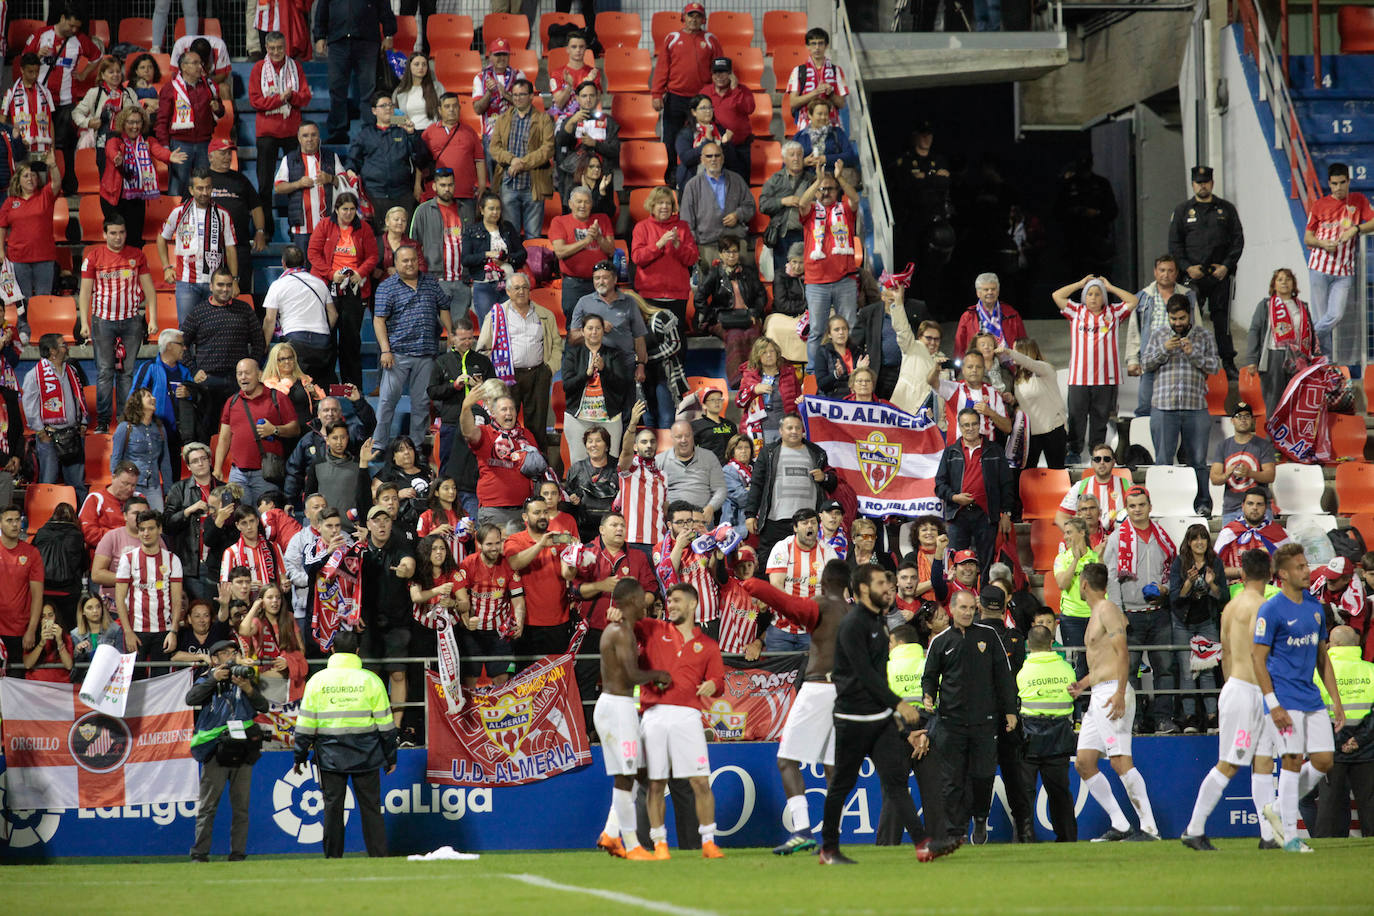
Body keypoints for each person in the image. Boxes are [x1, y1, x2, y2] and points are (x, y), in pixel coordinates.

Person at [819, 563, 936, 865]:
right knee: (842, 784)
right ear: (861, 590)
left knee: (896, 782)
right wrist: (898, 705)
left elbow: (880, 677)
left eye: (888, 582)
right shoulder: (853, 624)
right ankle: (829, 849)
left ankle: (923, 844)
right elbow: (865, 675)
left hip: (878, 717)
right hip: (852, 719)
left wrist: (896, 721)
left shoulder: (879, 623)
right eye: (881, 582)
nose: (887, 587)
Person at [737, 561, 853, 855]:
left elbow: (788, 605)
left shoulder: (821, 605)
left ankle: (802, 830)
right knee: (832, 768)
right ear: (847, 585)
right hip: (846, 694)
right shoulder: (856, 614)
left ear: (824, 583)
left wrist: (753, 585)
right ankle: (832, 838)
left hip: (817, 690)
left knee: (787, 760)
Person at [1179, 548, 1282, 850]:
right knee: (1230, 763)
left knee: (1264, 761)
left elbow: (1224, 651)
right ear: (1270, 573)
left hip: (1238, 686)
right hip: (1250, 692)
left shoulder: (1231, 606)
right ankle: (1194, 829)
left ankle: (1268, 836)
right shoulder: (1264, 607)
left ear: (1244, 573)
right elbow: (1259, 654)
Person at [1253, 542, 1344, 853]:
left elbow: (1322, 658)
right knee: (1292, 759)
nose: (1306, 571)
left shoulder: (1315, 608)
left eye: (1306, 565)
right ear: (1283, 574)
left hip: (1311, 697)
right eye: (1300, 567)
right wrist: (1273, 703)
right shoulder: (1271, 609)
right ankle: (1290, 835)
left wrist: (1335, 699)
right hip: (1284, 699)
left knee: (1323, 761)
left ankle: (1278, 808)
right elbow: (1257, 658)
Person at [1069, 562, 1161, 840]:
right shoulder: (1099, 612)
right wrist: (1083, 684)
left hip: (1112, 692)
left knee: (1121, 761)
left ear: (1084, 584)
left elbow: (1123, 652)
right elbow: (1104, 659)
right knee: (1084, 762)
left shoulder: (1107, 609)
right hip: (1099, 692)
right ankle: (1120, 823)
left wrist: (1120, 692)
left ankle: (1149, 828)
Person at [638, 582, 726, 859]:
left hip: (689, 715)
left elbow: (719, 680)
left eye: (676, 601)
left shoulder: (708, 645)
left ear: (692, 604)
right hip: (654, 714)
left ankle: (709, 842)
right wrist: (619, 613)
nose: (671, 605)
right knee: (655, 782)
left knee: (700, 781)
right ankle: (659, 842)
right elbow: (630, 619)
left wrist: (712, 684)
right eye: (669, 602)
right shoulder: (653, 629)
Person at [923, 588, 1017, 847]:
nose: (967, 613)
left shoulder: (989, 636)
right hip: (951, 722)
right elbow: (929, 676)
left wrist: (1010, 710)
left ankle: (980, 818)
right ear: (952, 609)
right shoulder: (940, 641)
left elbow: (1004, 676)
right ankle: (954, 831)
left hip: (985, 721)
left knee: (983, 775)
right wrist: (928, 695)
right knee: (952, 781)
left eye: (971, 608)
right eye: (962, 608)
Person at [293, 628, 396, 858]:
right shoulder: (372, 680)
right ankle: (379, 857)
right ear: (357, 651)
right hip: (367, 754)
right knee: (371, 809)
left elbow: (305, 725)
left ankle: (333, 858)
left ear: (332, 650)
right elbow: (387, 726)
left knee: (332, 808)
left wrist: (299, 757)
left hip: (330, 756)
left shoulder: (317, 681)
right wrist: (391, 757)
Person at [593, 578, 669, 861]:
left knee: (633, 775)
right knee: (626, 778)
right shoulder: (621, 632)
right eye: (642, 599)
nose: (646, 603)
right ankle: (632, 844)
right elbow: (631, 675)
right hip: (618, 707)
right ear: (633, 601)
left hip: (617, 706)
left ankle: (611, 834)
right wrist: (659, 675)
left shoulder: (623, 629)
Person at [1102, 485, 1179, 734]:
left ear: (1150, 507)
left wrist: (1165, 589)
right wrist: (1117, 612)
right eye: (1132, 506)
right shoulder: (1117, 538)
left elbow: (1172, 571)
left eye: (1141, 505)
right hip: (1130, 617)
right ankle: (1133, 719)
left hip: (1159, 613)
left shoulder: (1163, 537)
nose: (1137, 510)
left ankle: (1163, 720)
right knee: (1129, 670)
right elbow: (1111, 578)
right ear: (1127, 508)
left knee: (1165, 669)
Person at [186, 639, 269, 862]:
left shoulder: (245, 677)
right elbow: (190, 699)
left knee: (241, 806)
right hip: (216, 749)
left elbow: (264, 706)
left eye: (234, 652)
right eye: (224, 653)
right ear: (214, 659)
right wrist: (213, 679)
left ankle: (238, 853)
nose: (231, 656)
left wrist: (248, 688)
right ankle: (200, 853)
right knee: (208, 806)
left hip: (243, 748)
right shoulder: (205, 678)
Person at [1143, 295, 1220, 516]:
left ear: (1189, 315)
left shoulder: (1204, 335)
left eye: (1181, 318)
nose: (1177, 323)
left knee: (1198, 460)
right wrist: (1164, 350)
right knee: (1163, 462)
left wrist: (1192, 353)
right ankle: (1161, 504)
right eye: (1173, 318)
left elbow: (1215, 367)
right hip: (1163, 407)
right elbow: (1145, 364)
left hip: (1195, 406)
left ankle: (1201, 504)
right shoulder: (1159, 335)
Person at [79, 216, 157, 433]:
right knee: (105, 371)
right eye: (112, 233)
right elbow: (85, 292)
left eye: (121, 232)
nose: (117, 237)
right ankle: (103, 420)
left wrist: (153, 319)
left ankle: (125, 418)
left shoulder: (137, 255)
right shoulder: (93, 256)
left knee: (127, 372)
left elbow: (150, 290)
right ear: (104, 234)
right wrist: (84, 322)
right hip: (103, 321)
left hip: (131, 321)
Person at [371, 244, 452, 450]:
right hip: (397, 354)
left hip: (426, 354)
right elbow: (379, 320)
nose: (410, 264)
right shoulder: (387, 287)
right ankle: (378, 445)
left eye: (413, 260)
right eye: (405, 261)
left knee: (422, 404)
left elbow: (444, 306)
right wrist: (385, 350)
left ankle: (416, 448)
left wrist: (450, 333)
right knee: (388, 401)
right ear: (396, 263)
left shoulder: (431, 283)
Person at [1051, 275, 1138, 464]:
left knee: (1100, 419)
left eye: (1098, 294)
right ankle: (1073, 452)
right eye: (1089, 294)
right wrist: (1079, 283)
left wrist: (1111, 286)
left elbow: (1133, 300)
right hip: (1079, 377)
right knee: (1076, 417)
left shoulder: (1113, 313)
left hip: (1105, 378)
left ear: (1104, 297)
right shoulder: (1076, 311)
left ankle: (1096, 453)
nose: (1093, 297)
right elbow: (1057, 296)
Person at [1168, 165, 1245, 377]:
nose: (1202, 185)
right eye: (1198, 182)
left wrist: (1226, 266)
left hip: (1220, 274)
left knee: (1222, 322)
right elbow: (1174, 245)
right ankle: (1192, 361)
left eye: (1206, 181)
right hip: (1192, 276)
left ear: (1212, 183)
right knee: (1191, 320)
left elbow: (1237, 241)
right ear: (1192, 184)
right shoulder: (1182, 210)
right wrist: (1186, 268)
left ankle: (1228, 363)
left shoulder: (1226, 209)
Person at [18, 7, 102, 195]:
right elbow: (24, 59)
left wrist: (83, 74)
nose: (73, 30)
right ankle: (38, 186)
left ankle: (67, 186)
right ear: (62, 18)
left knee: (65, 145)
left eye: (76, 27)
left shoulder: (79, 40)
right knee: (39, 143)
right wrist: (38, 55)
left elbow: (98, 56)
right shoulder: (42, 34)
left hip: (66, 101)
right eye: (71, 25)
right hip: (40, 102)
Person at [477, 273, 562, 451]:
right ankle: (506, 458)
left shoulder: (545, 314)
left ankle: (540, 467)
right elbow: (483, 348)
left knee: (538, 425)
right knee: (504, 421)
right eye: (517, 288)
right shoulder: (496, 315)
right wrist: (494, 374)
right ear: (508, 291)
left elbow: (556, 344)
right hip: (507, 376)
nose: (521, 291)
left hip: (538, 374)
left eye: (525, 287)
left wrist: (549, 369)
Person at [745, 414, 839, 571]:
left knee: (806, 567)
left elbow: (833, 482)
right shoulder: (768, 452)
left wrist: (824, 477)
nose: (794, 431)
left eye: (798, 428)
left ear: (803, 431)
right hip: (775, 521)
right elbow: (757, 484)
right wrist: (750, 515)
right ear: (781, 431)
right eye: (789, 428)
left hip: (807, 522)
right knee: (769, 566)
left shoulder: (817, 453)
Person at [1304, 162, 1374, 363]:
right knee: (1321, 318)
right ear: (1329, 183)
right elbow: (1308, 238)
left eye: (1342, 183)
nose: (1338, 188)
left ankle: (1304, 342)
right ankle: (1323, 363)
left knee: (1335, 315)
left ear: (1348, 181)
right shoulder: (1319, 205)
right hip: (1319, 268)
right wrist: (1322, 243)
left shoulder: (1358, 200)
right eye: (1334, 184)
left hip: (1344, 271)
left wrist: (1356, 229)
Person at [308, 193, 378, 390]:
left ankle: (351, 389)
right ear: (336, 210)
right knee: (327, 340)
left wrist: (360, 272)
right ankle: (325, 387)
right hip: (327, 288)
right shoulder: (324, 225)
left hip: (354, 290)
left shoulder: (364, 228)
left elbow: (372, 256)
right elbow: (313, 253)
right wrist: (330, 274)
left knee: (350, 342)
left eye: (352, 209)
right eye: (344, 209)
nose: (348, 213)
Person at [1017, 624, 1078, 842]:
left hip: (1029, 737)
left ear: (1028, 645)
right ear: (1052, 644)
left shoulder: (1023, 671)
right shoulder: (1067, 669)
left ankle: (1024, 838)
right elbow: (1073, 697)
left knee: (1024, 794)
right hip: (1059, 736)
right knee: (1060, 793)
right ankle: (1068, 837)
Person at [652, 3, 723, 188]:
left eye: (698, 16)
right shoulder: (672, 38)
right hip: (675, 97)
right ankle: (672, 175)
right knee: (670, 139)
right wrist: (657, 93)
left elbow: (719, 69)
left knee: (702, 136)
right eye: (690, 16)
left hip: (701, 100)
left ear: (703, 19)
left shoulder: (710, 39)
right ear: (683, 17)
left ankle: (698, 174)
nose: (694, 19)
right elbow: (662, 68)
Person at [1313, 625, 1374, 838]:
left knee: (1329, 803)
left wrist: (1335, 740)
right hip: (1367, 746)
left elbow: (1314, 710)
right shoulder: (1371, 670)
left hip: (1331, 744)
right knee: (1369, 804)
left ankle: (1325, 849)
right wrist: (1360, 738)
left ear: (1336, 644)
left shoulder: (1319, 672)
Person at [934, 408, 1014, 571]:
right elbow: (939, 485)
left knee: (986, 563)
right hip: (958, 514)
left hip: (986, 515)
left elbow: (1007, 483)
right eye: (965, 425)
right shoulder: (950, 452)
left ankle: (983, 596)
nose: (970, 428)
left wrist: (1006, 513)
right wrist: (955, 497)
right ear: (960, 427)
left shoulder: (995, 450)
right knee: (956, 562)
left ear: (980, 425)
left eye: (973, 424)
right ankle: (958, 595)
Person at [213, 358, 300, 507]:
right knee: (238, 517)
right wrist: (217, 467)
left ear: (259, 375)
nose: (242, 377)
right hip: (237, 474)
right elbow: (224, 438)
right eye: (239, 374)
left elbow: (295, 429)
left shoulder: (277, 397)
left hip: (266, 474)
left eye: (247, 373)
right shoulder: (231, 402)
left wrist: (275, 430)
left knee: (267, 521)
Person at [158, 169, 238, 325]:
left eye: (208, 187)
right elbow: (161, 238)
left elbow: (230, 248)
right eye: (200, 188)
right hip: (186, 282)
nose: (204, 192)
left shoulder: (223, 214)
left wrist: (234, 280)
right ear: (191, 190)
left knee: (215, 329)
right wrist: (166, 267)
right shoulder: (178, 212)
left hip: (215, 283)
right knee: (187, 329)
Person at [1170, 522, 1227, 733]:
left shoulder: (1216, 563)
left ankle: (1212, 717)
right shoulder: (1179, 563)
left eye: (1203, 537)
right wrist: (1187, 583)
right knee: (1187, 672)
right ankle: (1190, 717)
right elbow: (1175, 599)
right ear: (1189, 542)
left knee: (1208, 670)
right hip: (1182, 623)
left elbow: (1224, 598)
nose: (1200, 542)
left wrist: (1212, 584)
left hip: (1206, 622)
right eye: (1195, 538)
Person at [314, 0, 396, 145]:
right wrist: (319, 36)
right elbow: (322, 10)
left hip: (368, 41)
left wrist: (389, 34)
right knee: (336, 88)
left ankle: (369, 130)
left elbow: (385, 8)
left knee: (368, 90)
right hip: (338, 41)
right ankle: (338, 132)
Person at [1241, 269, 1320, 417]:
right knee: (1274, 402)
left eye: (1288, 279)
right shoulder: (1266, 305)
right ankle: (1272, 439)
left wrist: (1314, 357)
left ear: (1293, 284)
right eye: (1280, 279)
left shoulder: (1302, 306)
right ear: (1274, 285)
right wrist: (1251, 360)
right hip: (1273, 357)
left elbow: (1310, 333)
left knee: (1296, 401)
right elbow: (1254, 331)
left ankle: (1293, 438)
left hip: (1298, 358)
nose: (1284, 282)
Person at [113, 508, 185, 671]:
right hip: (136, 630)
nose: (146, 533)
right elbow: (120, 599)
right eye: (142, 529)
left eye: (151, 528)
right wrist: (128, 632)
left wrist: (173, 631)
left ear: (159, 529)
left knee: (160, 682)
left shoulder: (173, 560)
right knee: (133, 680)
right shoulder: (128, 559)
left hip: (164, 631)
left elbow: (176, 600)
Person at [1126, 255, 1198, 417]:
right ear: (1155, 272)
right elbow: (1133, 331)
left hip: (1179, 361)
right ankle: (1144, 441)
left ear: (1176, 273)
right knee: (1145, 407)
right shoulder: (1143, 297)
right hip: (1150, 360)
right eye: (1162, 270)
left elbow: (1197, 327)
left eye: (1170, 270)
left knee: (1179, 408)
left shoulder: (1188, 296)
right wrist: (1132, 360)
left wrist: (1196, 355)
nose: (1166, 274)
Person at [100, 106, 184, 244]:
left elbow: (158, 151)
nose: (134, 126)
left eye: (138, 122)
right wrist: (117, 158)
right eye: (130, 122)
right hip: (113, 197)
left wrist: (169, 156)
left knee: (134, 237)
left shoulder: (147, 140)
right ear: (123, 123)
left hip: (137, 196)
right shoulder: (115, 139)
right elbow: (111, 150)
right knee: (117, 238)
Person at [460, 387, 538, 530]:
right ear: (494, 414)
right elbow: (468, 432)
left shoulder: (526, 436)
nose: (509, 413)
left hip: (523, 509)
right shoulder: (485, 433)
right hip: (494, 510)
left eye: (512, 409)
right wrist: (466, 407)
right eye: (504, 409)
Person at [248, 31, 310, 209]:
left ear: (285, 47)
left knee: (297, 181)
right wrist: (280, 99)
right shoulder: (259, 68)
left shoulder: (295, 67)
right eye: (272, 48)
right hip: (267, 133)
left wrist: (291, 98)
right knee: (265, 183)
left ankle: (297, 223)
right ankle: (266, 228)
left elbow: (305, 97)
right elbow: (255, 101)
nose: (276, 52)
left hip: (292, 131)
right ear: (266, 48)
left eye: (280, 48)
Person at [21, 333, 88, 496]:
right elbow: (29, 405)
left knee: (77, 484)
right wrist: (40, 431)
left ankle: (79, 518)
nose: (67, 347)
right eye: (63, 344)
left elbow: (79, 396)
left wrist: (83, 421)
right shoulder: (35, 375)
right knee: (49, 483)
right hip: (49, 437)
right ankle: (47, 517)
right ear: (52, 351)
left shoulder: (71, 370)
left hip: (72, 434)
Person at [489, 79, 554, 240]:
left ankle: (533, 266)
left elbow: (548, 149)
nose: (517, 98)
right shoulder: (503, 119)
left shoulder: (543, 119)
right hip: (509, 184)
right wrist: (512, 160)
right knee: (510, 235)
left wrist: (522, 163)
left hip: (533, 185)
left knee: (533, 235)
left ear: (531, 96)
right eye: (515, 95)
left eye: (522, 94)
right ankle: (514, 266)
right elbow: (494, 148)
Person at [561, 314, 631, 465]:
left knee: (611, 461)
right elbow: (567, 386)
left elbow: (621, 385)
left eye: (598, 328)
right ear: (583, 331)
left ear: (603, 331)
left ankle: (607, 489)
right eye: (590, 328)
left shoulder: (614, 354)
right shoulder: (573, 353)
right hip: (578, 417)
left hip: (609, 416)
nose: (594, 332)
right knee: (578, 461)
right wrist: (585, 374)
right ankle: (580, 490)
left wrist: (604, 370)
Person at [261, 246, 336, 385]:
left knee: (294, 386)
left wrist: (264, 346)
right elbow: (333, 314)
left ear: (283, 263)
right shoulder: (319, 283)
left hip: (295, 340)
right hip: (322, 343)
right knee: (320, 387)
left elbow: (270, 319)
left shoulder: (278, 285)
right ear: (304, 262)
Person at [0, 153, 61, 319]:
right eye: (26, 175)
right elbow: (2, 227)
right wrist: (0, 250)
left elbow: (56, 183)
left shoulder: (45, 195)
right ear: (18, 179)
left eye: (33, 175)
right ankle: (24, 330)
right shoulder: (10, 202)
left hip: (44, 256)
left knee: (43, 298)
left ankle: (42, 330)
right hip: (18, 258)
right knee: (22, 299)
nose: (30, 179)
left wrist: (53, 166)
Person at [208, 138, 270, 299]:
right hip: (210, 248)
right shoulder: (203, 180)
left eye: (229, 153)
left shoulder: (240, 179)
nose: (227, 157)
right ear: (211, 156)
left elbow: (256, 206)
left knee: (240, 292)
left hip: (239, 246)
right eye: (223, 153)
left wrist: (260, 231)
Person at [349, 92, 421, 230]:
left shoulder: (403, 131)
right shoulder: (366, 134)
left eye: (390, 105)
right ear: (374, 111)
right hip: (375, 194)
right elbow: (353, 159)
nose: (388, 108)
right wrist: (350, 170)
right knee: (379, 239)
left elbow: (420, 155)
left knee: (404, 236)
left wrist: (412, 134)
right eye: (383, 106)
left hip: (402, 193)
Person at [155, 50, 223, 197]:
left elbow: (220, 111)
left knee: (205, 186)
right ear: (184, 67)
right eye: (195, 63)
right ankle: (176, 218)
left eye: (201, 63)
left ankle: (203, 217)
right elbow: (162, 120)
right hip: (180, 143)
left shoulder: (209, 86)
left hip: (204, 142)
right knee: (178, 187)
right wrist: (166, 147)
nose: (200, 66)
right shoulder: (171, 88)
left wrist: (218, 108)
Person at [680, 140, 755, 272]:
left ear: (723, 158)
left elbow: (750, 206)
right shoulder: (692, 185)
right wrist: (693, 248)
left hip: (735, 245)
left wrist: (738, 215)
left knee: (738, 288)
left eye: (717, 155)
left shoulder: (736, 180)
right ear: (702, 160)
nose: (713, 159)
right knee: (707, 289)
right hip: (706, 246)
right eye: (709, 156)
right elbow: (686, 222)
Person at [631, 189, 699, 334]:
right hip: (650, 296)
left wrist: (677, 246)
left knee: (677, 340)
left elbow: (692, 259)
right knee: (652, 339)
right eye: (660, 203)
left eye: (668, 203)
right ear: (652, 205)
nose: (665, 207)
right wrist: (658, 245)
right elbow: (637, 258)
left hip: (677, 296)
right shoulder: (641, 227)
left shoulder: (682, 227)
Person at [274, 121, 346, 257]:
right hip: (302, 228)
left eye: (313, 135)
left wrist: (330, 178)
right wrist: (298, 184)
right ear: (299, 138)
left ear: (319, 137)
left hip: (329, 225)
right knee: (305, 268)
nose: (310, 139)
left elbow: (345, 182)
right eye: (305, 135)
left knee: (329, 266)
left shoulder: (331, 157)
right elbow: (278, 187)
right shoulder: (289, 159)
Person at [409, 170, 472, 317]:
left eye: (450, 185)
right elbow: (413, 245)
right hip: (435, 280)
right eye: (442, 185)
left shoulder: (466, 210)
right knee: (434, 330)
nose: (447, 189)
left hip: (462, 280)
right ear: (434, 186)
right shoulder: (422, 211)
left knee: (460, 330)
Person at [550, 185, 616, 321]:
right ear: (570, 204)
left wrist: (598, 237)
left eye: (586, 202)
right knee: (574, 327)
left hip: (600, 282)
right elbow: (560, 252)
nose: (583, 205)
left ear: (591, 204)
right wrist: (586, 241)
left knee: (603, 325)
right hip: (574, 284)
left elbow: (610, 250)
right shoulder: (559, 221)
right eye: (578, 202)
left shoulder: (602, 219)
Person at [461, 191, 527, 324]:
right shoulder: (472, 231)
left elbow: (522, 254)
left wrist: (507, 259)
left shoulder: (507, 227)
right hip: (484, 284)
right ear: (482, 210)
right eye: (491, 208)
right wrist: (486, 255)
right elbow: (466, 259)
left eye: (498, 209)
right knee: (487, 326)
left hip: (508, 284)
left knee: (510, 325)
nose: (495, 212)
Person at [999, 340, 1066, 469]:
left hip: (1053, 430)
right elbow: (1025, 402)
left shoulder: (1045, 369)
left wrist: (1007, 351)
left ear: (1025, 352)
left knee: (1057, 472)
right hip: (1030, 434)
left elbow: (1029, 363)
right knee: (1027, 474)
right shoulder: (1018, 376)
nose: (1012, 354)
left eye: (1015, 350)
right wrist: (1012, 400)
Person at [421, 94, 486, 223]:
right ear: (440, 110)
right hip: (437, 196)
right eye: (447, 106)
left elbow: (479, 161)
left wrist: (483, 185)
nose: (451, 109)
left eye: (455, 106)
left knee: (466, 235)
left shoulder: (470, 132)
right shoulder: (429, 133)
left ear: (460, 109)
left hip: (465, 195)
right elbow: (420, 161)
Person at [554, 82, 621, 204]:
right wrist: (571, 122)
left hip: (602, 175)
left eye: (591, 95)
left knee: (603, 213)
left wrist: (595, 144)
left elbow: (615, 151)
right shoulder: (570, 120)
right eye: (584, 96)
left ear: (598, 97)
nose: (588, 99)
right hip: (575, 176)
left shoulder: (607, 121)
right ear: (577, 98)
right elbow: (560, 143)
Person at [73, 56, 140, 173]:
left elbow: (140, 116)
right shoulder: (94, 93)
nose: (115, 75)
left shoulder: (129, 93)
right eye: (111, 72)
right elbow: (76, 112)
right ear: (103, 75)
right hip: (102, 143)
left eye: (118, 71)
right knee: (106, 178)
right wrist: (88, 122)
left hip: (127, 142)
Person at [112, 389, 174, 510]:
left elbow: (165, 462)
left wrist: (168, 490)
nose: (153, 398)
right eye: (148, 396)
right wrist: (116, 486)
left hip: (153, 486)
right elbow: (116, 458)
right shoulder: (125, 427)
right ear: (138, 403)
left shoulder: (160, 428)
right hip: (131, 486)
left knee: (157, 522)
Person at [758, 141, 812, 280]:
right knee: (782, 276)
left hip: (806, 235)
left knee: (806, 276)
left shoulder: (811, 180)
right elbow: (763, 205)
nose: (796, 158)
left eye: (799, 155)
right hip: (782, 236)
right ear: (784, 159)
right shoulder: (775, 180)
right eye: (792, 155)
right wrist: (782, 201)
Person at [0, 504, 44, 664]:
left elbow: (37, 596)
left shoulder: (32, 553)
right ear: (0, 523)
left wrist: (31, 630)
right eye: (9, 520)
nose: (14, 524)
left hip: (20, 630)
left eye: (17, 520)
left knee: (16, 679)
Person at [784, 27, 850, 133]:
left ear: (826, 45)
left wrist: (831, 94)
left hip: (832, 127)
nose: (817, 47)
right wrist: (815, 93)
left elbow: (842, 104)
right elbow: (793, 102)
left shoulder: (836, 70)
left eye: (820, 43)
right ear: (807, 46)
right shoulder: (798, 71)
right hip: (806, 127)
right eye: (813, 44)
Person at [656, 422, 726, 521]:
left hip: (702, 521)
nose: (684, 440)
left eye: (687, 435)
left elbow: (720, 489)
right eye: (679, 437)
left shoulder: (709, 457)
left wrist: (711, 507)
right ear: (672, 438)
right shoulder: (659, 460)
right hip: (673, 523)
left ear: (693, 436)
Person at [737, 337, 799, 447]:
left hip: (786, 429)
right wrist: (754, 390)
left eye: (772, 351)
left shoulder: (789, 373)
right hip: (760, 431)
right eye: (764, 352)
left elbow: (798, 400)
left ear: (777, 353)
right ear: (758, 356)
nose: (769, 355)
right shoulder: (750, 375)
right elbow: (740, 402)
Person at [1054, 442, 1127, 533]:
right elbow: (1060, 517)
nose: (1102, 462)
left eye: (1107, 459)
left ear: (1113, 462)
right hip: (1089, 541)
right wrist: (1077, 536)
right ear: (1092, 463)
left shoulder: (1127, 486)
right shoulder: (1080, 486)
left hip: (1118, 542)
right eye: (1097, 459)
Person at [700, 57, 754, 180]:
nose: (719, 76)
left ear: (731, 74)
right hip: (715, 149)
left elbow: (749, 108)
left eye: (723, 72)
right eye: (716, 72)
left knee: (741, 184)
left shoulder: (743, 90)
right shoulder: (705, 91)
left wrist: (735, 90)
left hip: (740, 147)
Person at [954, 273, 1029, 357]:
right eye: (986, 289)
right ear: (978, 293)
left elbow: (1023, 343)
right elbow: (959, 346)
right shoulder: (968, 317)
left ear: (998, 291)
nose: (990, 292)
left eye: (993, 289)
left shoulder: (1011, 314)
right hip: (979, 365)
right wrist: (960, 368)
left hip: (1009, 364)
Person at [471, 38, 526, 149]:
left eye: (504, 54)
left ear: (509, 56)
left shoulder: (518, 75)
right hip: (491, 133)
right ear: (490, 56)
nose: (501, 58)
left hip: (515, 133)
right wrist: (489, 93)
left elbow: (525, 106)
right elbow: (477, 109)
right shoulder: (480, 77)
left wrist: (506, 95)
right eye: (497, 55)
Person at [674, 93, 734, 190]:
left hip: (719, 182)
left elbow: (731, 161)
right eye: (703, 108)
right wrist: (707, 141)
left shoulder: (720, 130)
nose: (708, 111)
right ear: (694, 112)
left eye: (710, 108)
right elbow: (686, 158)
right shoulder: (686, 133)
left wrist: (725, 144)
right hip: (693, 183)